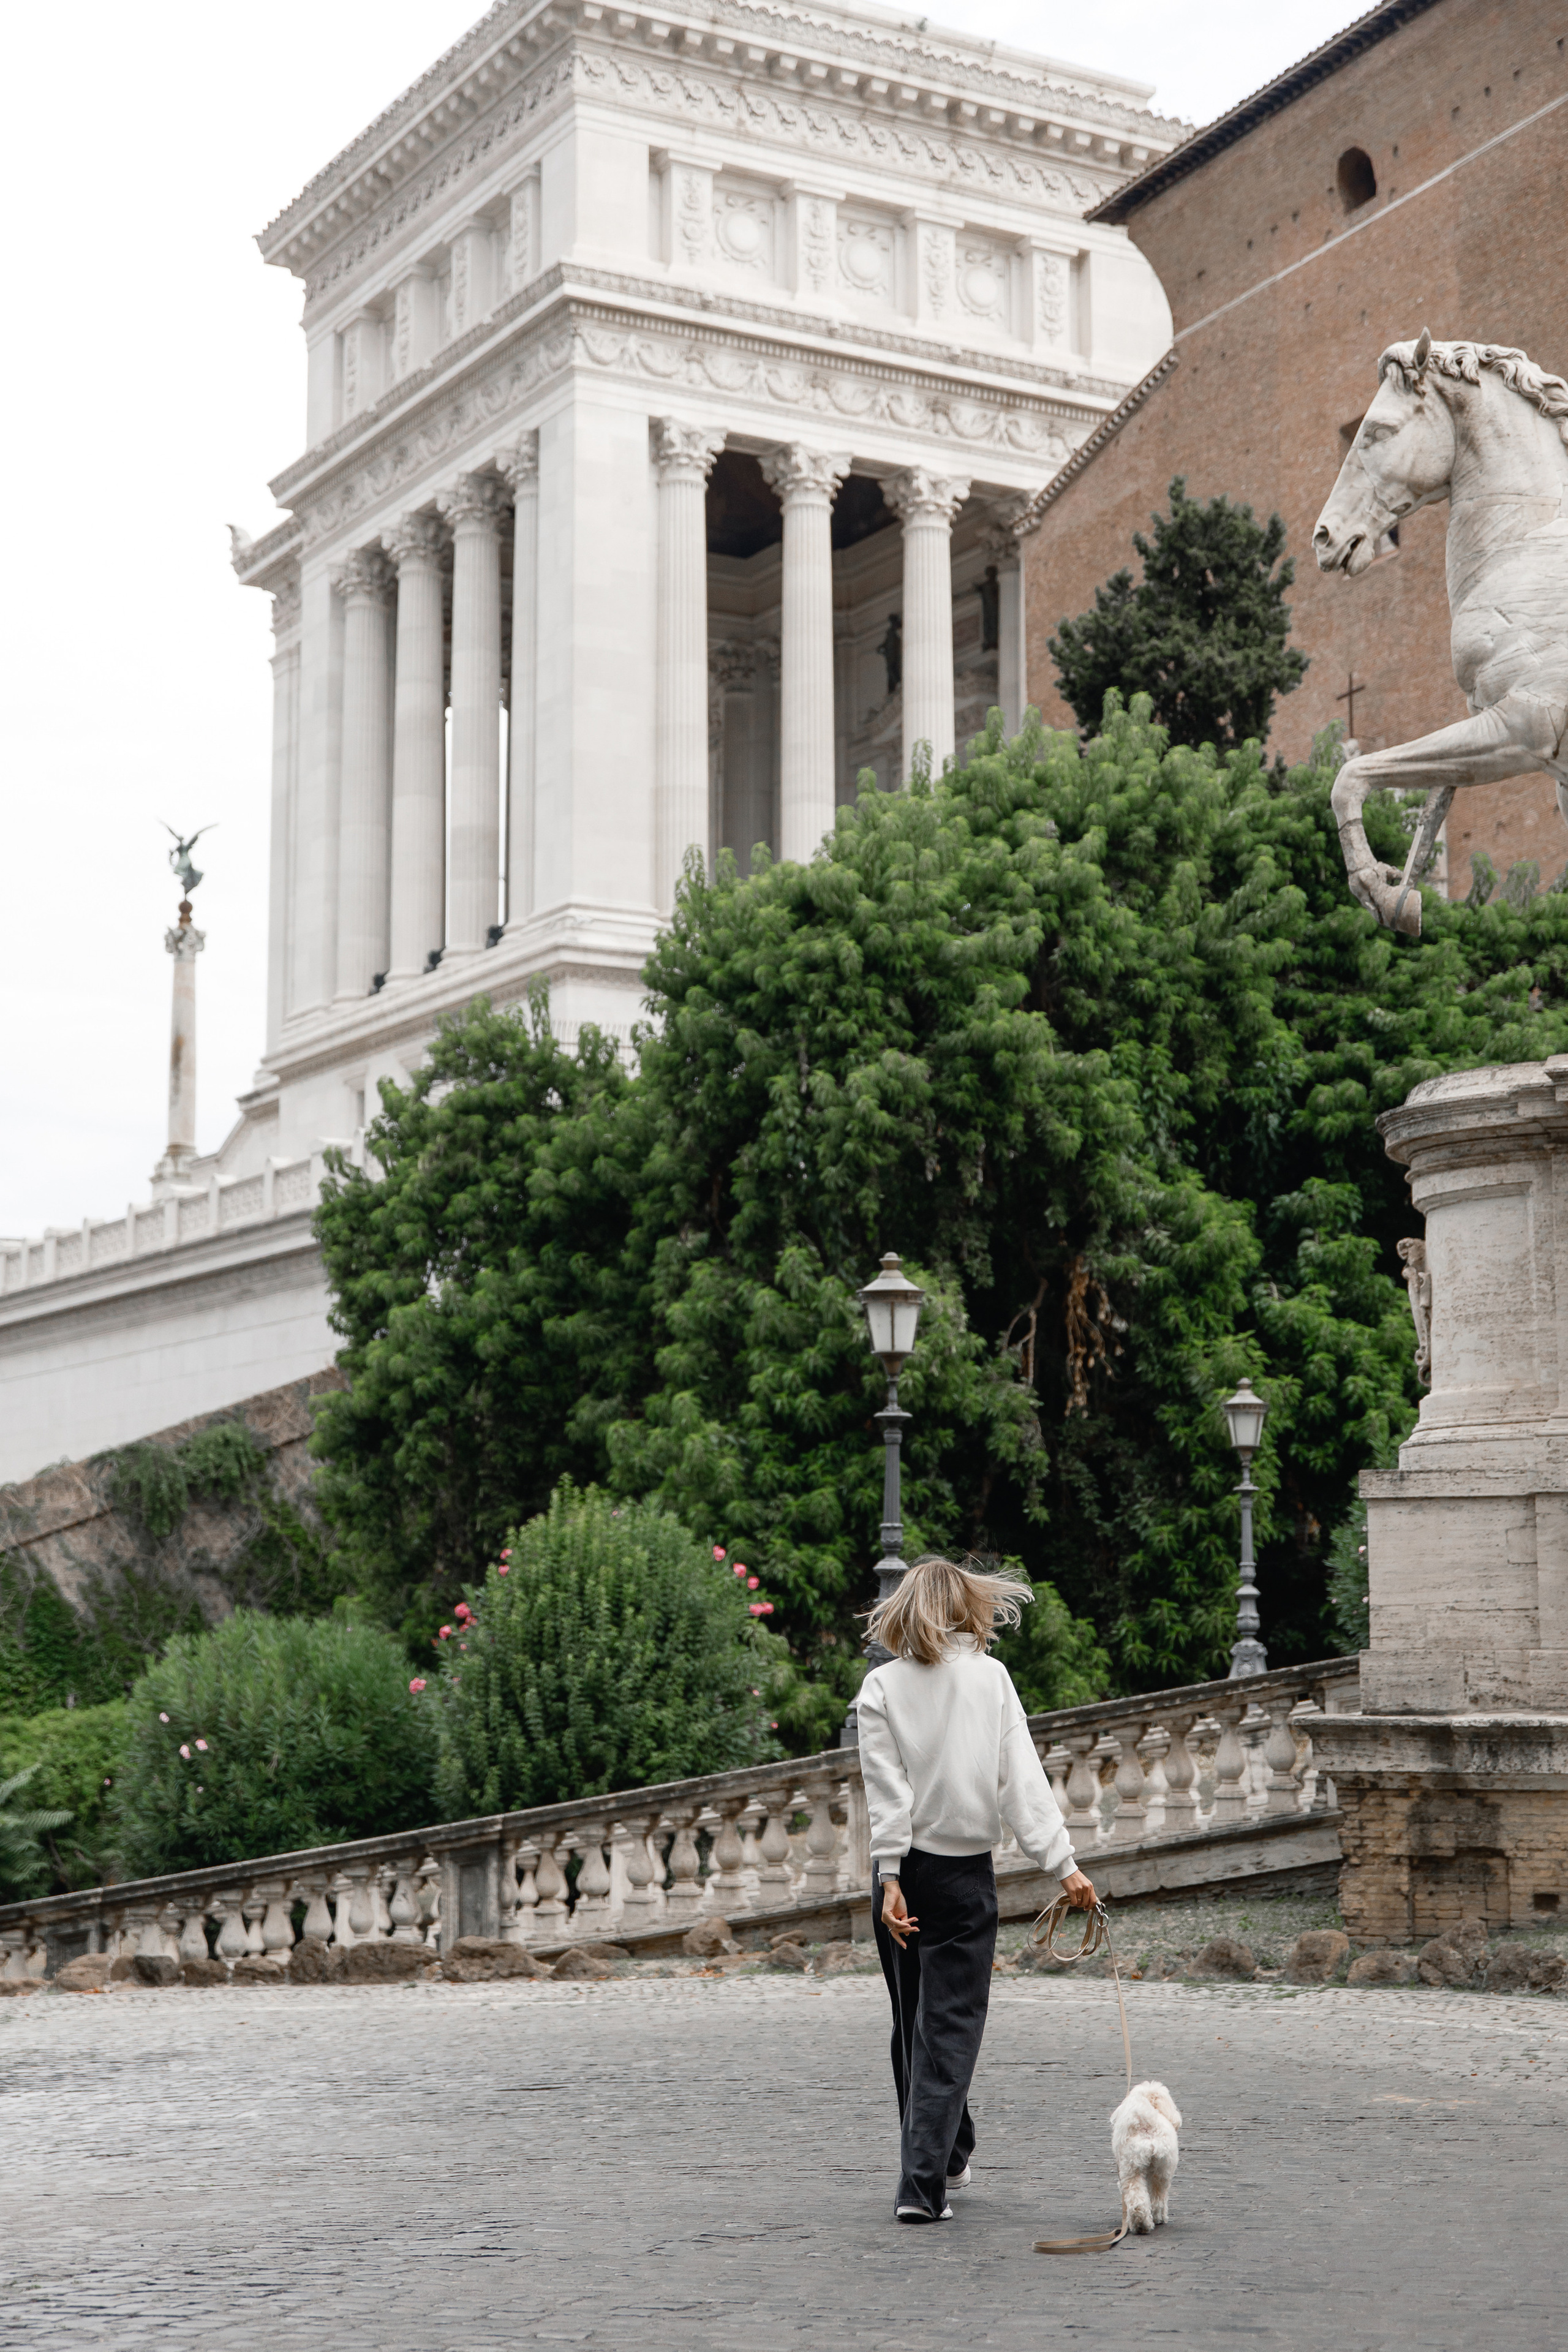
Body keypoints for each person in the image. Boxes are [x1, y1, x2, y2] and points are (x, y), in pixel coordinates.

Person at [857, 1553, 1097, 2224]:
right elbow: (1018, 1781)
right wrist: (1065, 1865)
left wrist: (888, 1878)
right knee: (949, 2028)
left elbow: (887, 1795)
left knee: (915, 2027)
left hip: (901, 1876)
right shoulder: (990, 1679)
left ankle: (950, 2151)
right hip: (962, 1878)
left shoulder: (880, 1689)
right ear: (966, 1606)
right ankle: (920, 2187)